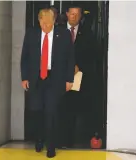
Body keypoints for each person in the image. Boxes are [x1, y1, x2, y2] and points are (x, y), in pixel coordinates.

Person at [20, 8, 75, 158]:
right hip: (36, 79)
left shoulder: (63, 34)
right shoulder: (31, 34)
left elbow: (70, 58)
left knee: (51, 112)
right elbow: (24, 57)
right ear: (39, 21)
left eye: (49, 24)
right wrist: (24, 78)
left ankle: (51, 146)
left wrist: (69, 79)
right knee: (37, 111)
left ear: (54, 22)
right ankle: (39, 139)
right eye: (43, 23)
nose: (46, 27)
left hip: (54, 79)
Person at [59, 5, 97, 148]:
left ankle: (74, 139)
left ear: (81, 16)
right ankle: (60, 139)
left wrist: (79, 65)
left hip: (80, 77)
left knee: (75, 107)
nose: (74, 17)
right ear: (67, 14)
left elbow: (92, 54)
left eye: (77, 14)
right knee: (60, 107)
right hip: (61, 76)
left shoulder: (87, 33)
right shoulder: (59, 31)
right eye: (72, 14)